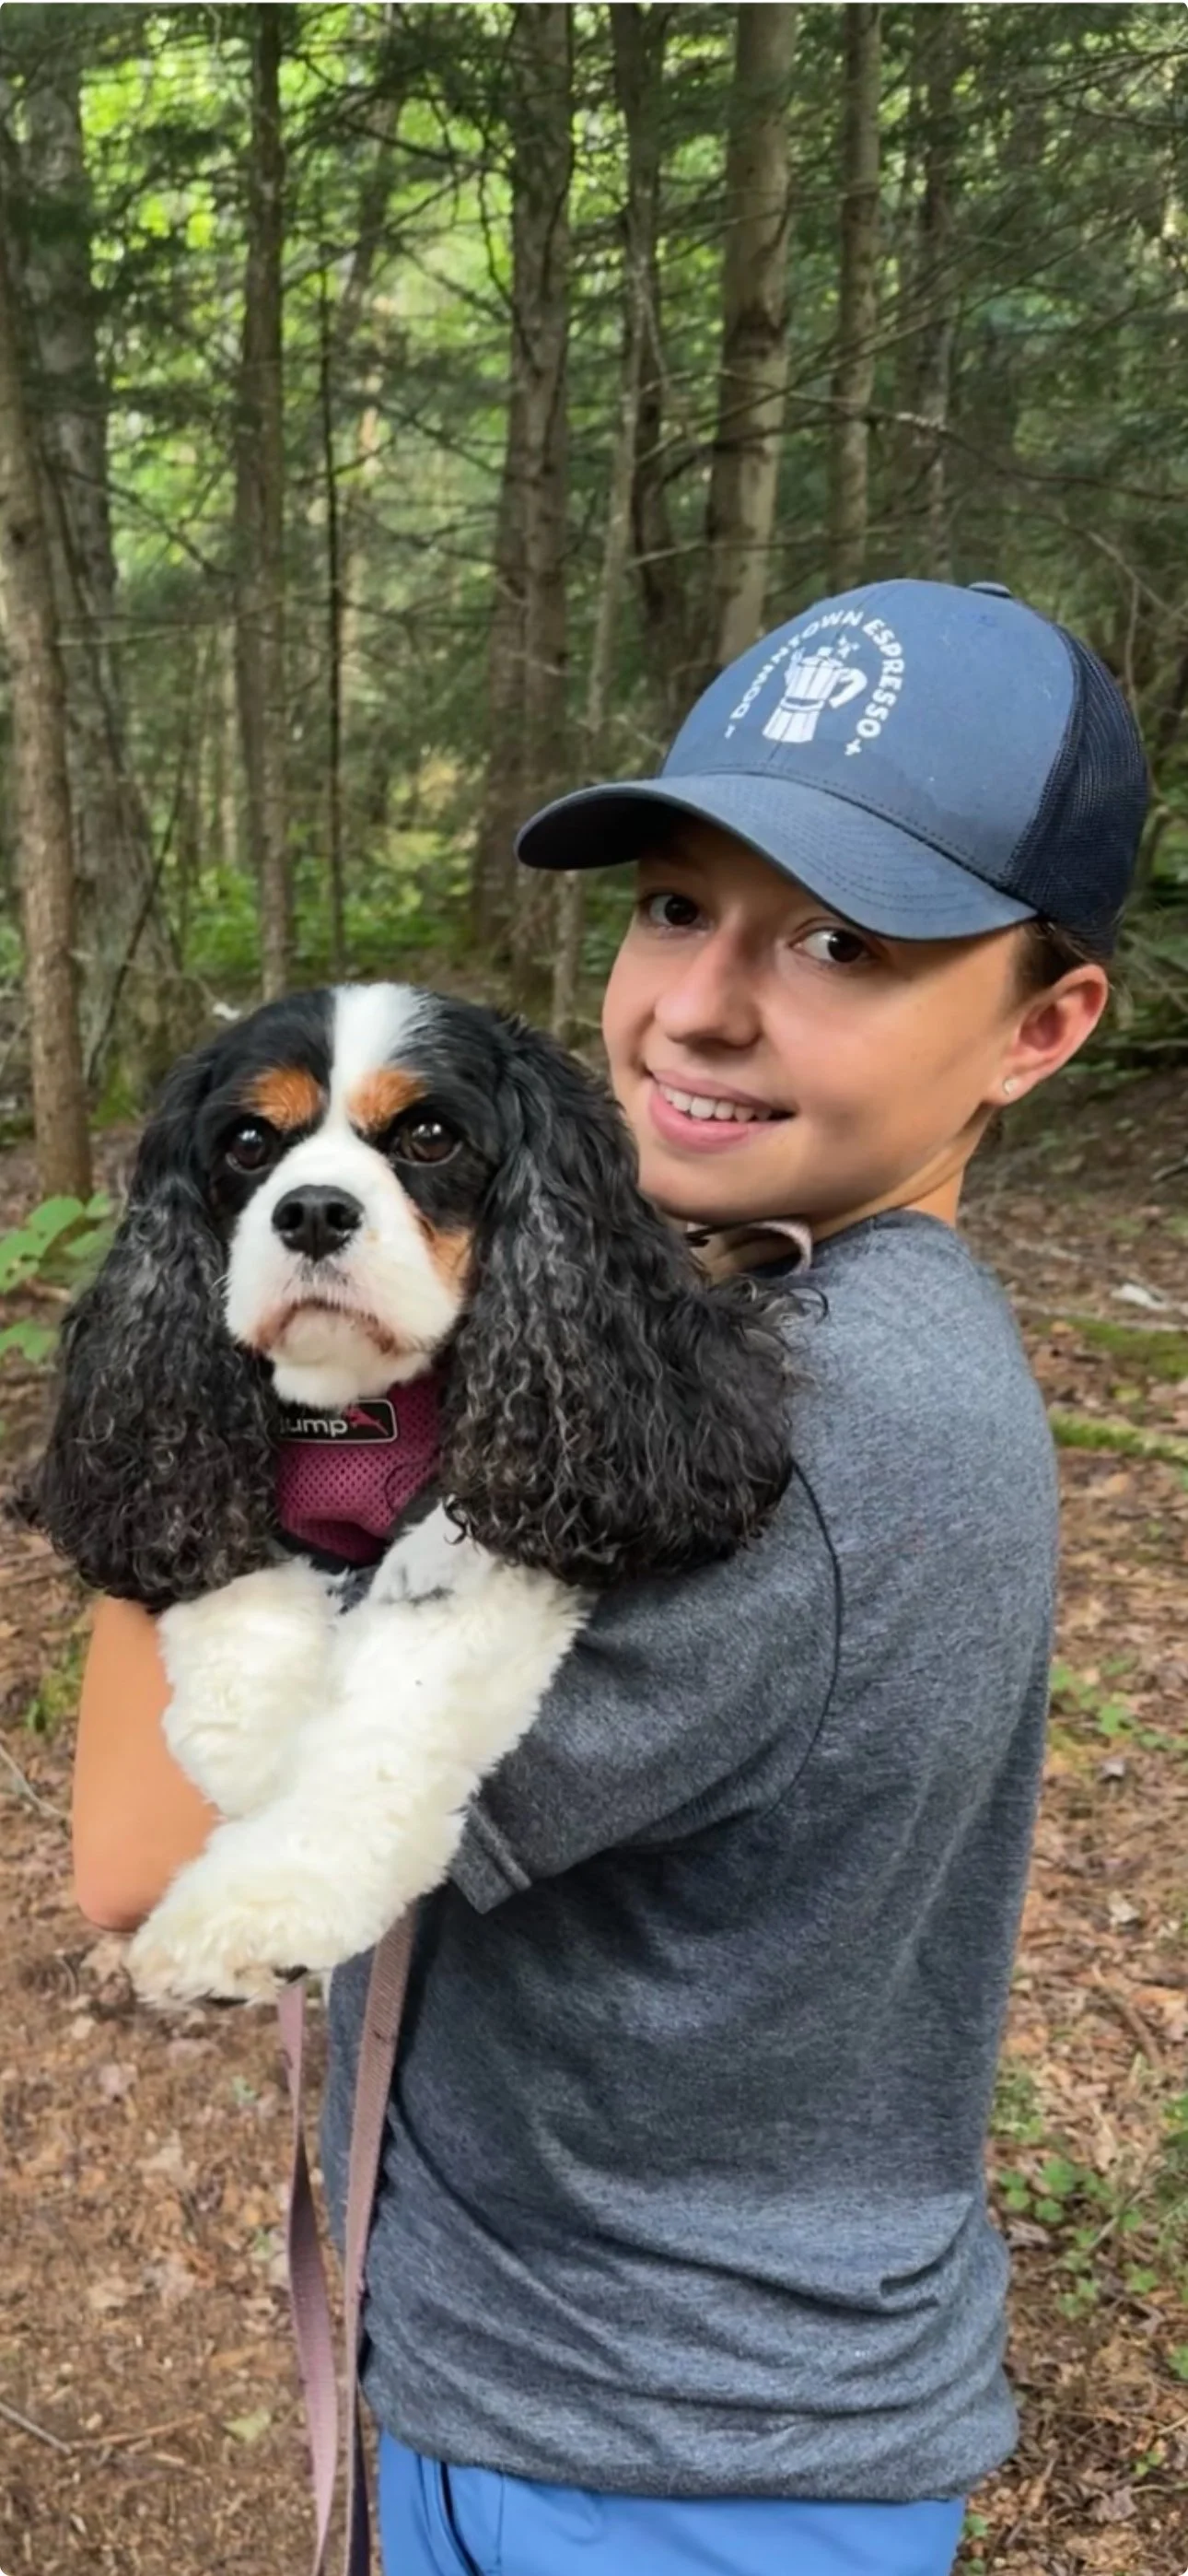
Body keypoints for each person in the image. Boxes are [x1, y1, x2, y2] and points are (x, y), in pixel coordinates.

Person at [73, 579, 1147, 2576]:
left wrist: (210, 1385)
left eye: (843, 942)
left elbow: (149, 1857)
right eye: (675, 905)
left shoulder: (810, 1428)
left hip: (671, 2456)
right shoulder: (769, 1309)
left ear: (1044, 1022)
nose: (705, 1005)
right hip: (585, 2371)